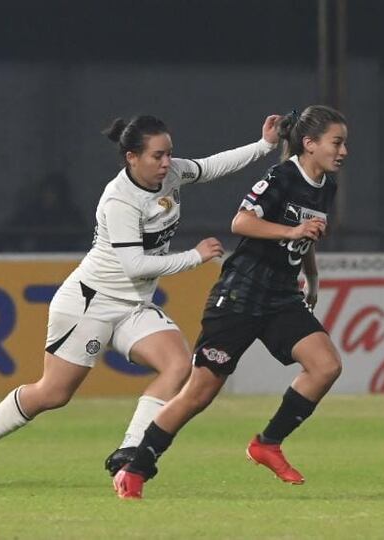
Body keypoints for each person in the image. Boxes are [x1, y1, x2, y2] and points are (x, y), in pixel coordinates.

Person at [0, 113, 281, 491]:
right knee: (54, 393)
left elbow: (210, 166)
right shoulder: (119, 200)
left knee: (178, 365)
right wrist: (194, 256)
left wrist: (264, 146)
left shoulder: (171, 173)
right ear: (132, 157)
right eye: (157, 156)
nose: (166, 163)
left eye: (169, 154)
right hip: (90, 303)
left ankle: (130, 451)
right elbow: (134, 265)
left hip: (134, 305)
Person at [112, 105, 348, 499]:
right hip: (240, 295)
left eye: (344, 143)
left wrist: (313, 273)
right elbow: (241, 222)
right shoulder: (281, 176)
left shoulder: (326, 185)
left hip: (281, 296)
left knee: (325, 366)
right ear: (309, 144)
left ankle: (267, 444)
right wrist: (293, 229)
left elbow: (306, 233)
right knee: (198, 394)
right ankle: (136, 469)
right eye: (336, 142)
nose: (343, 151)